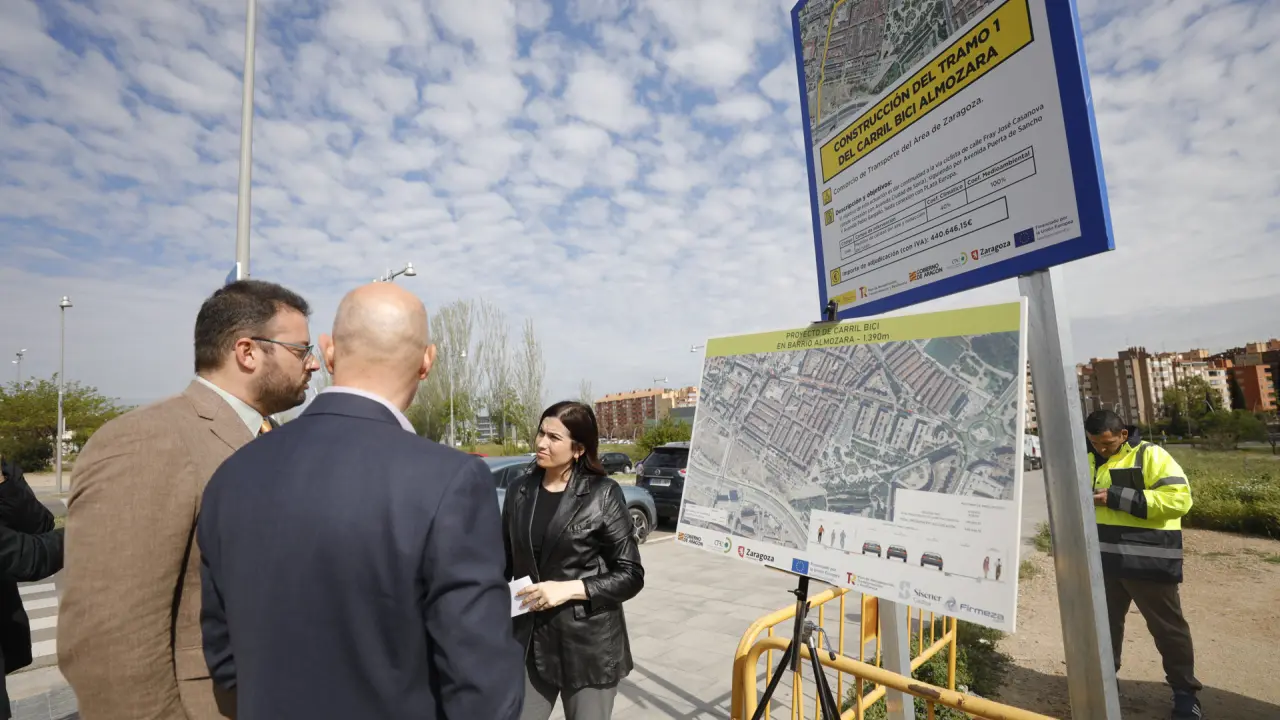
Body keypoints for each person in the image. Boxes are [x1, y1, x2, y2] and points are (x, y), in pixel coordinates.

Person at [197, 282, 524, 720]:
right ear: (427, 362)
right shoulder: (450, 481)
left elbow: (223, 658)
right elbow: (484, 690)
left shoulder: (233, 473)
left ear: (329, 352)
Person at [59, 279, 318, 719]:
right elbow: (108, 643)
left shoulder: (271, 438)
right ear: (247, 352)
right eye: (300, 350)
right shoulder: (149, 440)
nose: (312, 364)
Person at [505, 401, 645, 720]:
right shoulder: (519, 491)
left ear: (579, 449)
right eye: (541, 432)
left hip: (588, 646)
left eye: (554, 437)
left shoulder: (603, 494)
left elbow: (631, 574)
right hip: (530, 641)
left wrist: (567, 589)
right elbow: (504, 563)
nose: (542, 443)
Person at [1085, 409, 1202, 720]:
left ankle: (1185, 693)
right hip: (1103, 564)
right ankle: (1106, 685)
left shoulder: (1151, 455)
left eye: (1107, 443)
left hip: (1148, 562)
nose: (1101, 449)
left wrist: (1117, 497)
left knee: (1168, 629)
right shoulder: (1086, 459)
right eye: (1095, 443)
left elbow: (1180, 500)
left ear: (1123, 434)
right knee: (1103, 629)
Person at [0, 457, 64, 719]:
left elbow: (41, 525)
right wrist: (88, 532)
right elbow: (28, 557)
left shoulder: (7, 473)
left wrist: (3, 483)